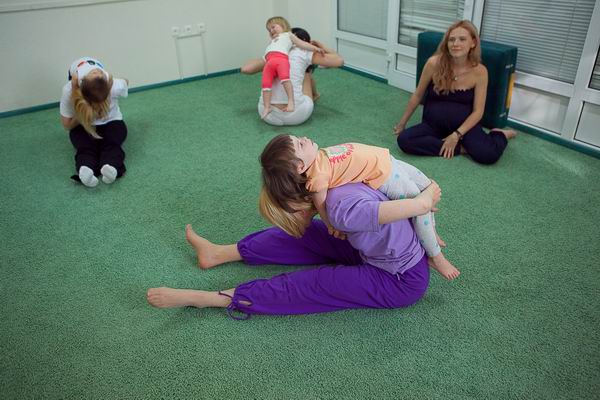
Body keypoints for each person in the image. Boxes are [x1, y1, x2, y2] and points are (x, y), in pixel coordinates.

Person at [147, 181, 442, 318]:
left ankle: (214, 299)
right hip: (372, 247)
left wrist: (430, 248)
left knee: (318, 283)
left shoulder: (344, 207)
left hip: (399, 280)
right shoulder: (325, 191)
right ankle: (219, 253)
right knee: (308, 235)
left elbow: (416, 200)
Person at [260, 134, 459, 280]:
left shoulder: (318, 161)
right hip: (386, 175)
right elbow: (421, 205)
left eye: (298, 139)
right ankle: (436, 256)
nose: (304, 138)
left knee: (424, 187)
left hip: (387, 161)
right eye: (300, 144)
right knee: (423, 207)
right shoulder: (321, 183)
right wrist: (330, 224)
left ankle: (431, 233)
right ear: (300, 167)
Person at [394, 20, 517, 165]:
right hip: (432, 125)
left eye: (462, 39)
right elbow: (418, 95)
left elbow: (478, 111)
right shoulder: (433, 63)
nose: (455, 43)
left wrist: (456, 135)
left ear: (473, 43)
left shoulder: (480, 71)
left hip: (464, 128)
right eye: (451, 39)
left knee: (488, 155)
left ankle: (500, 134)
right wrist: (402, 123)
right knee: (404, 140)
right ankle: (462, 149)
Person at [241, 27, 344, 126]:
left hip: (266, 114)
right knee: (306, 73)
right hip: (297, 115)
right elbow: (339, 61)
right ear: (305, 42)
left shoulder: (273, 54)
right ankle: (315, 95)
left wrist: (266, 57)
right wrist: (321, 45)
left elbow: (246, 69)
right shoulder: (304, 52)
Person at [60, 57, 129, 187]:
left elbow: (125, 82)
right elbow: (67, 125)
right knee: (86, 147)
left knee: (111, 144)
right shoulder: (69, 91)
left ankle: (110, 167)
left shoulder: (112, 84)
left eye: (98, 72)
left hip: (112, 122)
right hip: (82, 126)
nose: (98, 71)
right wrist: (83, 114)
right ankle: (86, 169)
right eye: (93, 72)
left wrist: (115, 83)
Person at [260, 17, 324, 119]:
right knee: (265, 84)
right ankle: (267, 107)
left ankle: (291, 102)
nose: (271, 31)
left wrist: (315, 48)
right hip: (270, 62)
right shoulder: (272, 41)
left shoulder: (288, 35)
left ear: (283, 25)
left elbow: (302, 44)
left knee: (285, 79)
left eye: (273, 27)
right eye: (269, 30)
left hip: (281, 60)